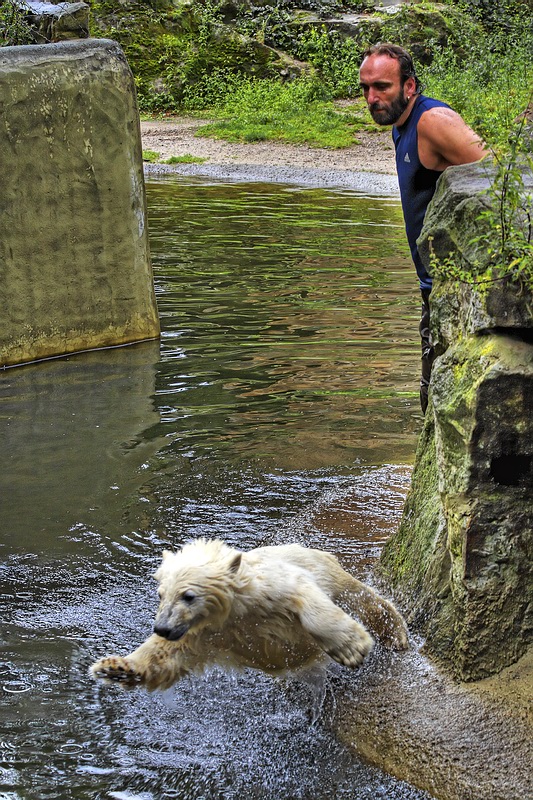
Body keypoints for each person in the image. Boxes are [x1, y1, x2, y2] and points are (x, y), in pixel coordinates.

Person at [359, 43, 487, 412]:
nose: (371, 97)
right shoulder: (402, 125)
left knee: (440, 400)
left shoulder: (433, 122)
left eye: (382, 86)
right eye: (366, 88)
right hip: (433, 287)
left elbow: (501, 181)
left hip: (456, 290)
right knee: (433, 400)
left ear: (410, 86)